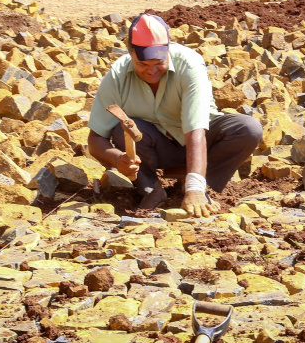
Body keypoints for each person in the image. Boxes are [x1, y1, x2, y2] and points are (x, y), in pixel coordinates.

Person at [87, 14, 263, 217]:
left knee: (247, 129)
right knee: (123, 128)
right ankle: (151, 190)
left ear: (168, 48)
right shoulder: (118, 74)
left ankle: (200, 185)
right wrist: (118, 160)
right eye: (143, 64)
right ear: (130, 51)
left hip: (200, 144)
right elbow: (95, 138)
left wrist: (195, 187)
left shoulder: (189, 65)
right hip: (155, 149)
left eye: (158, 63)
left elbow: (195, 129)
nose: (151, 71)